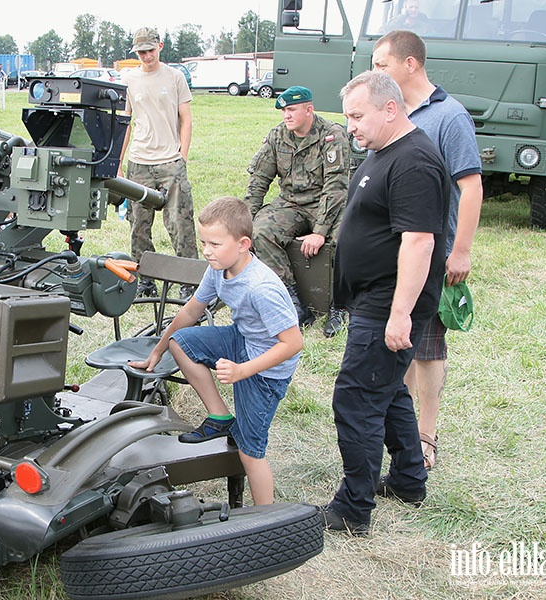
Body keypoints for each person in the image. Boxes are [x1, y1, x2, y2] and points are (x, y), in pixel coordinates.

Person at [317, 70, 449, 534]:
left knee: (355, 399)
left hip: (390, 303)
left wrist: (399, 315)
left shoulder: (414, 162)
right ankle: (410, 479)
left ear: (390, 109)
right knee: (388, 389)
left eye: (357, 115)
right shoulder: (383, 151)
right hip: (374, 298)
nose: (349, 125)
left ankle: (353, 509)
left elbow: (418, 243)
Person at [129, 196, 302, 506]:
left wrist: (243, 370)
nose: (206, 250)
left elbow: (292, 344)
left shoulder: (261, 287)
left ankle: (268, 518)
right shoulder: (218, 268)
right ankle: (220, 416)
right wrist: (158, 350)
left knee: (251, 451)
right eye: (203, 242)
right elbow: (190, 312)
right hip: (243, 339)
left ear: (243, 243)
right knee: (180, 342)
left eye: (215, 244)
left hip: (267, 370)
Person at [373, 30, 483, 470]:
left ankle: (426, 434)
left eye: (382, 65)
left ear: (410, 64)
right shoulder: (392, 110)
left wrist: (461, 251)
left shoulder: (449, 116)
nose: (375, 71)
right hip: (393, 248)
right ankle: (398, 423)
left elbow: (470, 187)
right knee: (399, 340)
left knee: (427, 346)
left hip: (432, 250)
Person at [245, 85, 349, 333]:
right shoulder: (277, 136)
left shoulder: (332, 135)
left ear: (309, 110)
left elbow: (335, 188)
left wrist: (320, 232)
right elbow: (259, 179)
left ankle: (340, 305)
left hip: (326, 203)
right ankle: (292, 300)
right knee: (260, 232)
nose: (286, 115)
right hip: (290, 203)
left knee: (344, 238)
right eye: (284, 111)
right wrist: (245, 225)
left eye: (291, 110)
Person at [118, 27, 199, 299]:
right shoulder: (128, 80)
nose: (146, 56)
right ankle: (144, 281)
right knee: (139, 224)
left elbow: (186, 119)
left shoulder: (175, 77)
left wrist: (182, 155)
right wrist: (118, 162)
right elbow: (125, 124)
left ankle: (190, 282)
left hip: (170, 161)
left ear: (160, 46)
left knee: (180, 221)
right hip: (139, 162)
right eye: (141, 52)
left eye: (150, 50)